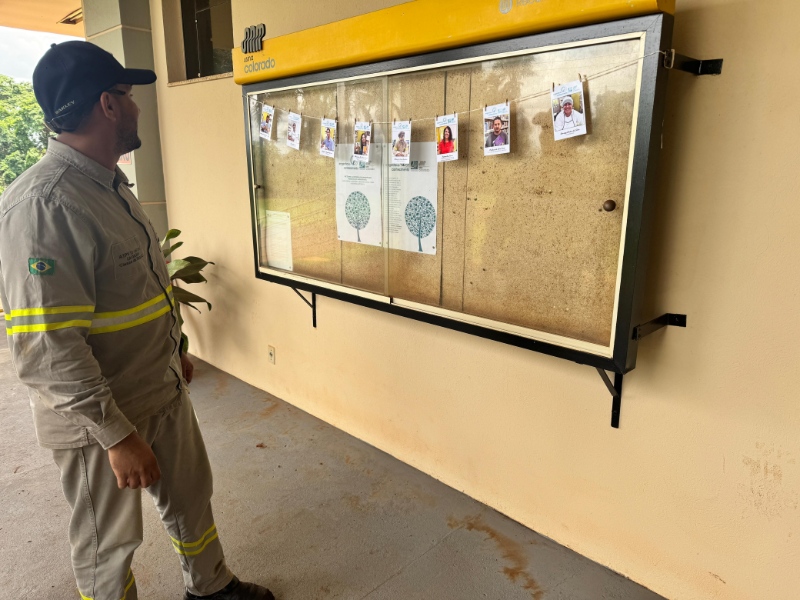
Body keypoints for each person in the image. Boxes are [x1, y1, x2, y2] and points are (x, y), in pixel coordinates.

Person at [0, 41, 274, 600]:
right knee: (108, 543)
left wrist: (175, 349)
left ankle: (211, 587)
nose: (138, 107)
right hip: (100, 420)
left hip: (158, 389)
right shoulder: (44, 207)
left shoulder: (109, 184)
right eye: (129, 95)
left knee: (191, 497)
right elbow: (48, 349)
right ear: (107, 105)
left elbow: (141, 288)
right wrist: (117, 435)